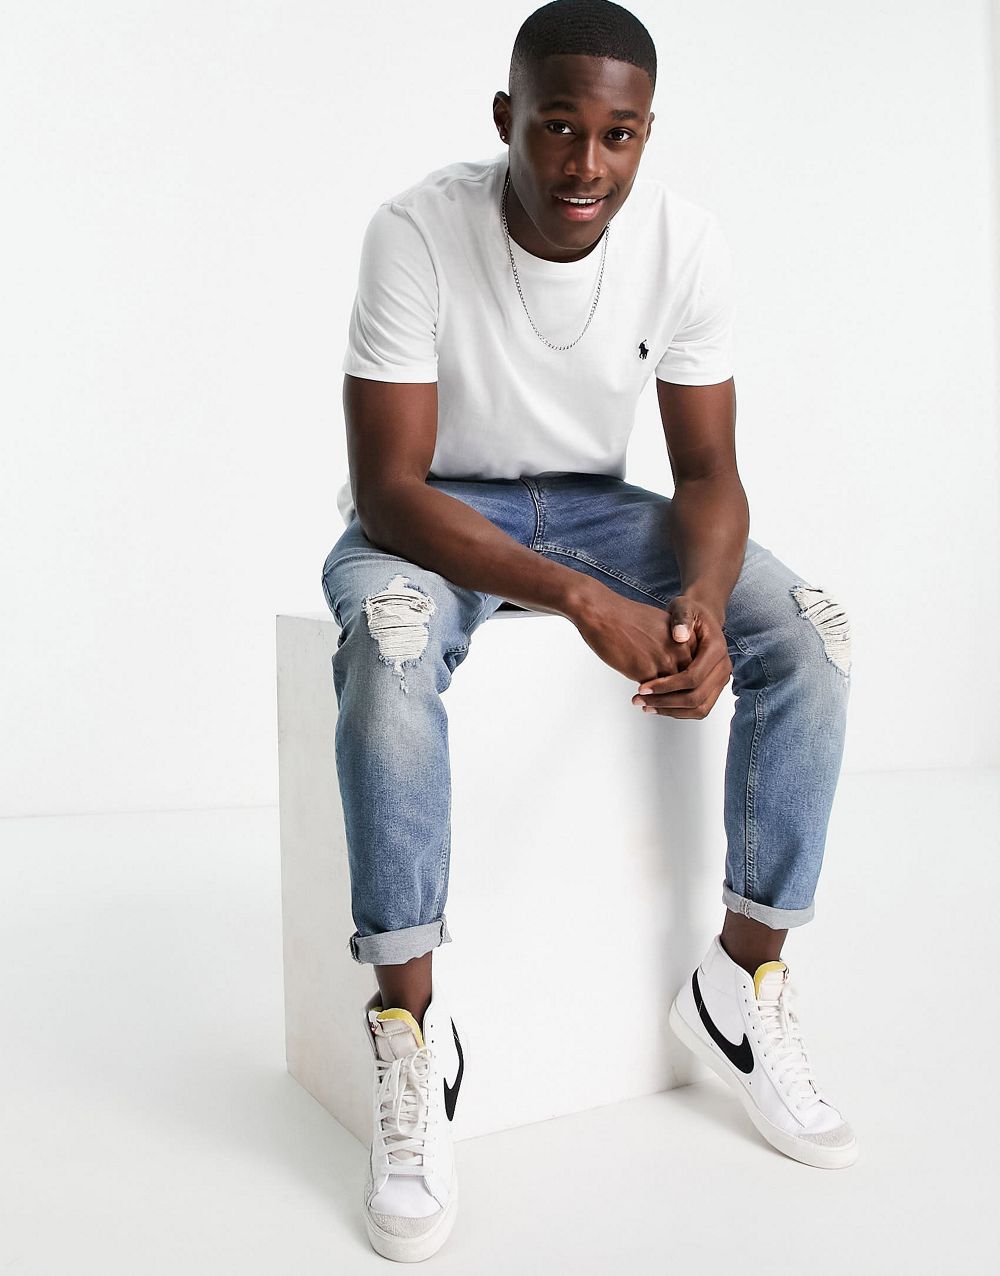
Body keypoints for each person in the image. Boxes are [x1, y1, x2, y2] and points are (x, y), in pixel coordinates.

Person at [320, 0, 856, 1261]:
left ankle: (741, 983)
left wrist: (701, 602)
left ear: (645, 134)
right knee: (389, 652)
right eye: (557, 127)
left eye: (617, 135)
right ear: (506, 118)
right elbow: (390, 488)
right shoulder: (415, 230)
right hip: (433, 512)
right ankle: (411, 1031)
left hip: (604, 509)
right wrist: (578, 597)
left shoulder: (683, 242)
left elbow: (709, 472)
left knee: (810, 635)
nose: (584, 164)